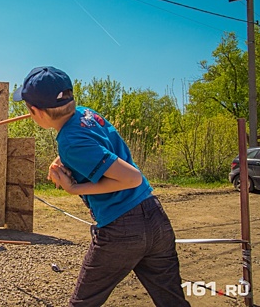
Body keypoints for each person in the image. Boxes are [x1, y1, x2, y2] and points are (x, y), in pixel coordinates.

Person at [13, 66, 190, 307]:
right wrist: (61, 161)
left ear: (36, 112)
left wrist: (74, 189)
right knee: (172, 301)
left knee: (84, 303)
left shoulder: (70, 142)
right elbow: (95, 145)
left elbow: (132, 178)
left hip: (122, 228)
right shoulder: (85, 114)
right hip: (154, 216)